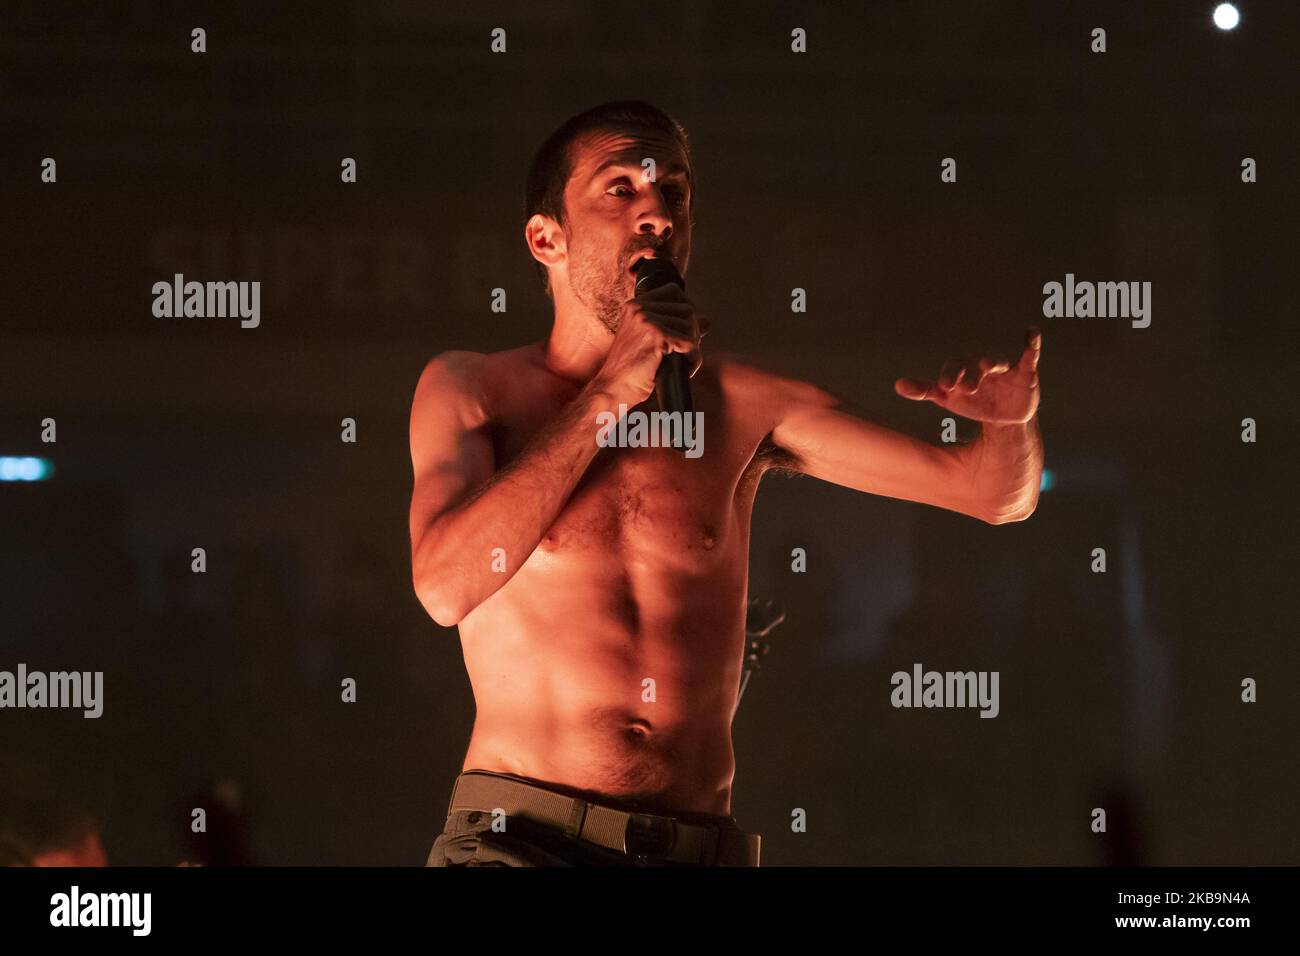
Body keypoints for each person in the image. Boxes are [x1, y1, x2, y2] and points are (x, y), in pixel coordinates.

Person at [410, 101, 1043, 866]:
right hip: (523, 842)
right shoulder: (471, 389)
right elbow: (445, 587)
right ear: (548, 237)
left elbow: (991, 495)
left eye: (673, 193)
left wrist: (1009, 426)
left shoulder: (747, 407)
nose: (656, 215)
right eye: (620, 189)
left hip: (697, 849)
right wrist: (610, 394)